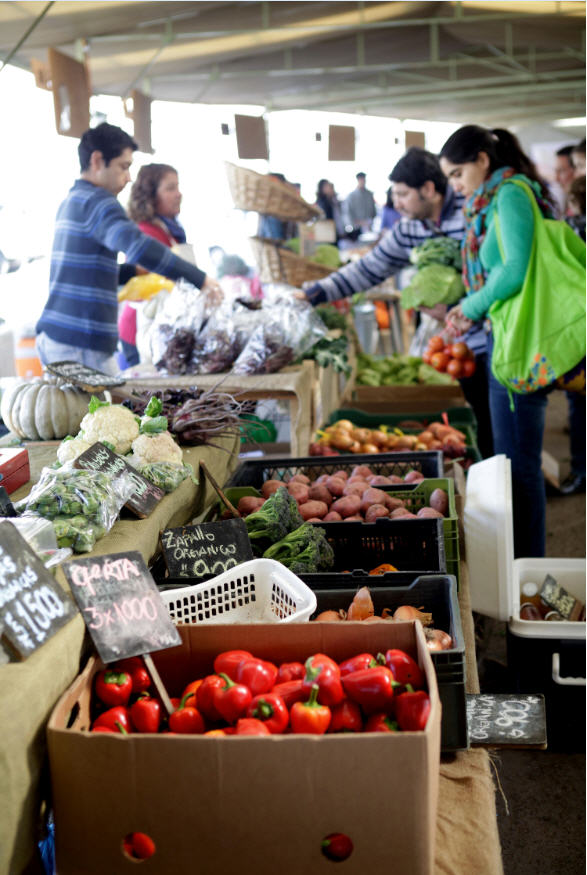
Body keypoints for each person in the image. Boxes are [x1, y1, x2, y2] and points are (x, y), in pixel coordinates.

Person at [300, 147, 494, 459]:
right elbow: (367, 269)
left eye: (403, 194)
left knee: (497, 423)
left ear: (428, 189)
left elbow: (497, 274)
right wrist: (313, 294)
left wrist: (465, 307)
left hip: (493, 337)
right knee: (479, 419)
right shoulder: (408, 230)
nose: (396, 203)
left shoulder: (473, 214)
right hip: (458, 346)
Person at [438, 125, 561, 557]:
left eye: (456, 173)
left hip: (520, 344)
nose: (454, 185)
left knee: (519, 469)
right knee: (515, 466)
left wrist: (470, 306)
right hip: (506, 338)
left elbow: (513, 270)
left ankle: (526, 569)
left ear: (482, 160)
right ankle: (521, 567)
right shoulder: (488, 202)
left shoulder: (509, 195)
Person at [36, 123, 220, 376]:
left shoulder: (73, 201)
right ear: (98, 160)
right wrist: (201, 280)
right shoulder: (99, 203)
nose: (129, 177)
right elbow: (140, 246)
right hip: (80, 344)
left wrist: (133, 271)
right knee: (101, 414)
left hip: (58, 338)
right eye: (124, 167)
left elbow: (87, 271)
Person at [118, 162, 188, 366]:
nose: (178, 194)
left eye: (178, 186)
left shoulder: (170, 229)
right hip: (143, 332)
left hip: (162, 328)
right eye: (170, 188)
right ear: (150, 195)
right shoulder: (145, 233)